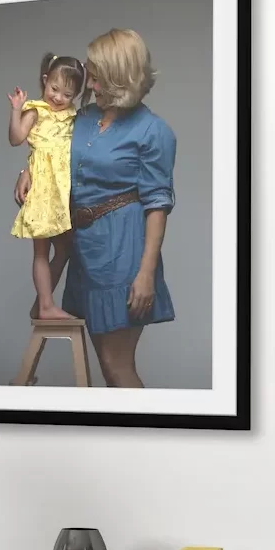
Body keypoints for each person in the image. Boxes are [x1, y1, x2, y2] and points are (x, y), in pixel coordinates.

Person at [61, 28, 176, 387]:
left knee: (116, 363)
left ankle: (144, 442)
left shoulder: (152, 131)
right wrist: (25, 172)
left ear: (120, 76)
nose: (89, 84)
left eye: (97, 76)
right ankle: (122, 439)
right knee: (104, 362)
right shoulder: (80, 119)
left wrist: (146, 273)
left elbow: (158, 205)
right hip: (85, 252)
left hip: (124, 253)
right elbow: (50, 153)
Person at [8, 53, 83, 320]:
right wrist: (17, 109)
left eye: (67, 94)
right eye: (54, 89)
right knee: (42, 250)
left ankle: (43, 302)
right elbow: (16, 138)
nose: (59, 98)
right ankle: (46, 306)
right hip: (42, 187)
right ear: (44, 81)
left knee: (65, 248)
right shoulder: (36, 110)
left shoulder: (73, 115)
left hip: (63, 191)